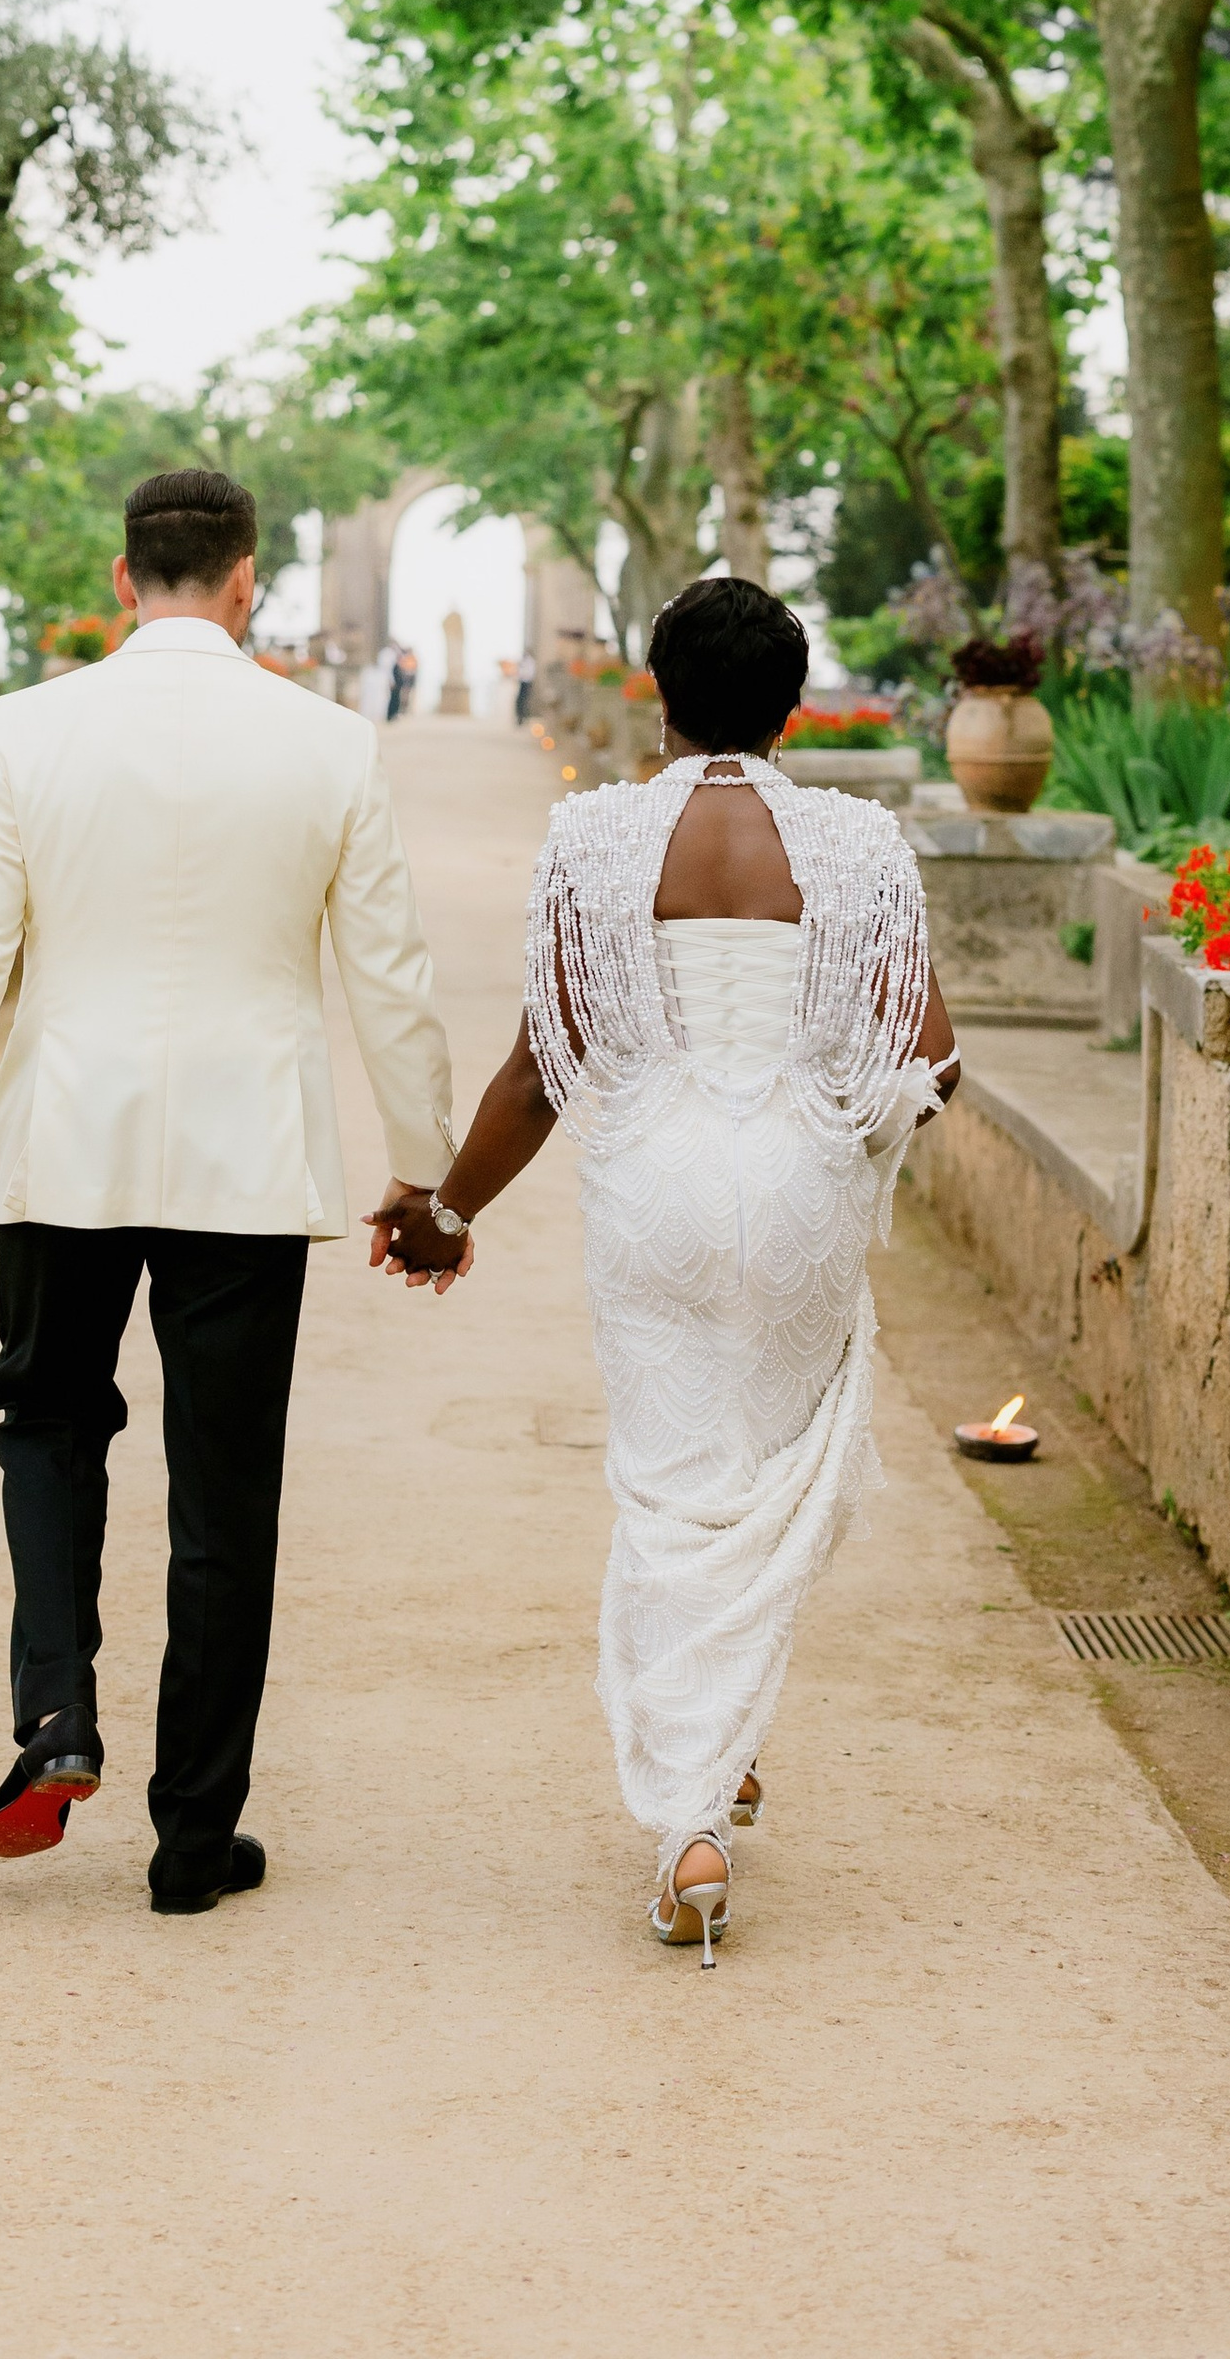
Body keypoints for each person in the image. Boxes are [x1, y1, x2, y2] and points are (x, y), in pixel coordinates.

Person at [0, 466, 457, 1915]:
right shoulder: (330, 746)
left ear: (124, 578)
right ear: (248, 579)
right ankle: (194, 1844)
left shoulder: (24, 733)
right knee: (225, 1503)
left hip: (65, 1148)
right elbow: (389, 977)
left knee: (49, 1422)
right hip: (248, 1164)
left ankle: (56, 1711)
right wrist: (426, 1175)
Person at [369, 573, 958, 1968]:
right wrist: (837, 1139)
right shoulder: (860, 844)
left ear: (658, 689)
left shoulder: (598, 832)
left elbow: (540, 1069)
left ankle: (693, 1809)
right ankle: (721, 1749)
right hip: (803, 1181)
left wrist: (448, 1210)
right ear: (797, 702)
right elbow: (928, 1062)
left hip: (654, 1188)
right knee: (767, 1472)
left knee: (671, 1479)